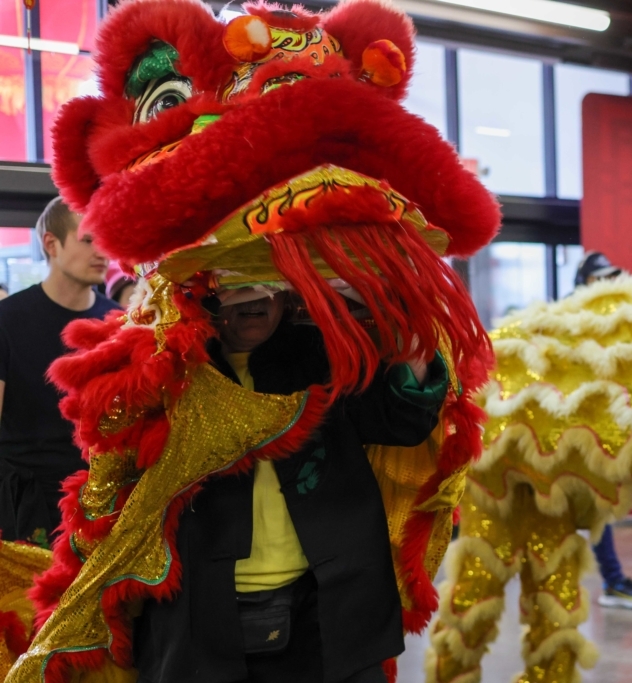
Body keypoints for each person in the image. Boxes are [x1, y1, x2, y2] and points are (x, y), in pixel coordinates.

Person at [132, 287, 449, 683]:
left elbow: (402, 422)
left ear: (286, 295)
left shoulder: (323, 353)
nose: (254, 296)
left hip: (328, 609)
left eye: (265, 282)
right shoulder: (167, 368)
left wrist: (408, 318)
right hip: (199, 615)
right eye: (237, 282)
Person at [0, 197, 116, 544]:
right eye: (88, 240)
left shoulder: (117, 322)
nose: (102, 252)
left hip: (101, 502)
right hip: (25, 505)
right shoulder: (8, 319)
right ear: (52, 243)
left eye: (107, 240)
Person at [574, 252, 632, 609]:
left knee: (597, 507)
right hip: (562, 435)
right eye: (602, 278)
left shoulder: (610, 322)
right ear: (587, 282)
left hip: (593, 432)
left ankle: (611, 582)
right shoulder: (567, 320)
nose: (609, 285)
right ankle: (608, 582)